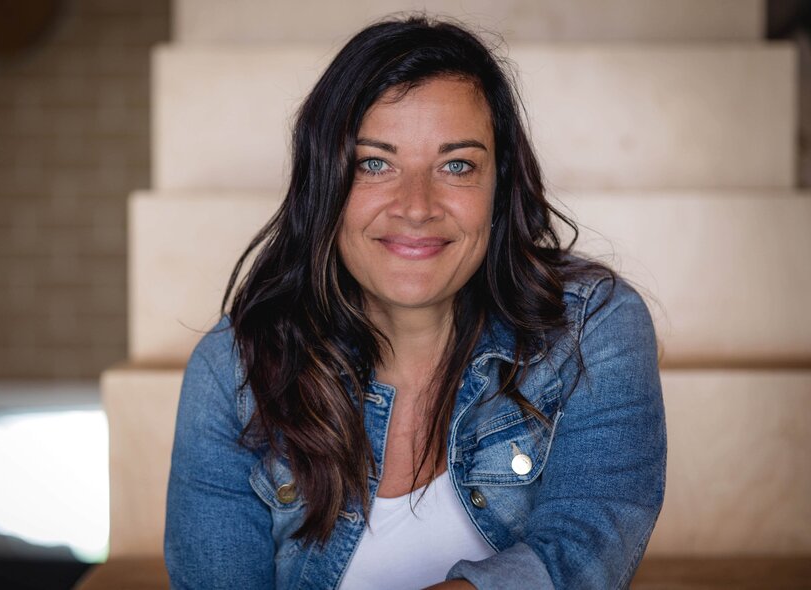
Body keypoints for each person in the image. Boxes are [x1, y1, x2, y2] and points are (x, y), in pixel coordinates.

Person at [164, 14, 666, 590]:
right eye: (375, 163)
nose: (416, 205)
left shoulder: (591, 330)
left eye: (457, 165)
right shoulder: (233, 371)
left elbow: (582, 552)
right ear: (325, 184)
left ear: (499, 190)